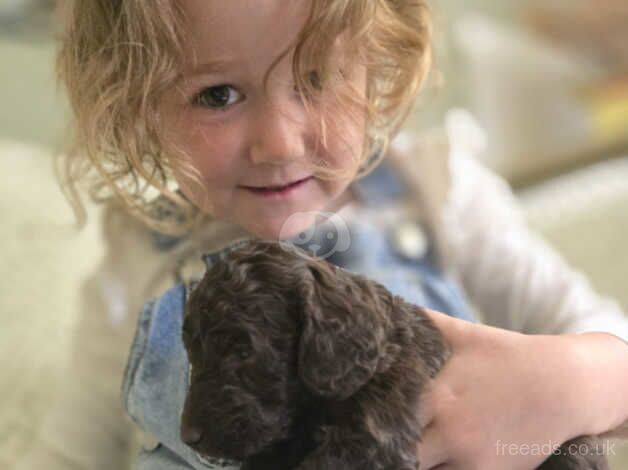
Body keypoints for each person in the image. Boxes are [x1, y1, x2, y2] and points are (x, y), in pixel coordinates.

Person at [17, 1, 628, 469]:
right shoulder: (137, 260)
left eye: (316, 77)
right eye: (217, 94)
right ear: (136, 104)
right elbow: (73, 451)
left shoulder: (438, 197)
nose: (279, 143)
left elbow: (613, 353)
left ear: (378, 66)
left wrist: (572, 380)